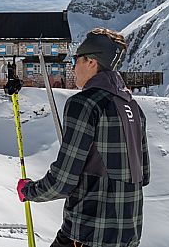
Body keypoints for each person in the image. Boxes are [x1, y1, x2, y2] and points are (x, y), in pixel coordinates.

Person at [17, 28, 150, 247]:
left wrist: (28, 191)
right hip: (129, 234)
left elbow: (63, 181)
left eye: (76, 59)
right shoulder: (133, 108)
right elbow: (143, 175)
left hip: (87, 233)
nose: (72, 66)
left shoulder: (85, 104)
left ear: (91, 61)